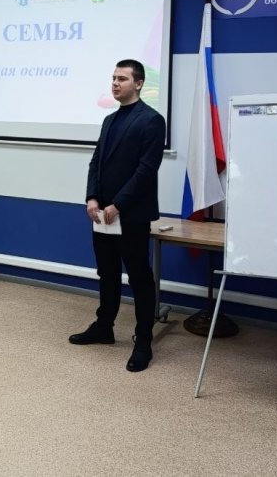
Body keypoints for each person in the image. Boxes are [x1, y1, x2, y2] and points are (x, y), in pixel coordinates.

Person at [69, 59, 166, 372]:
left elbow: (146, 170)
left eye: (122, 78)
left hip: (131, 214)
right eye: (113, 78)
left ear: (138, 83)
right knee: (107, 272)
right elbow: (96, 162)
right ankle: (104, 327)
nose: (115, 83)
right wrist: (92, 197)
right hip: (102, 214)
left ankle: (144, 340)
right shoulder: (109, 120)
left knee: (139, 277)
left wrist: (118, 204)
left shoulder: (152, 120)